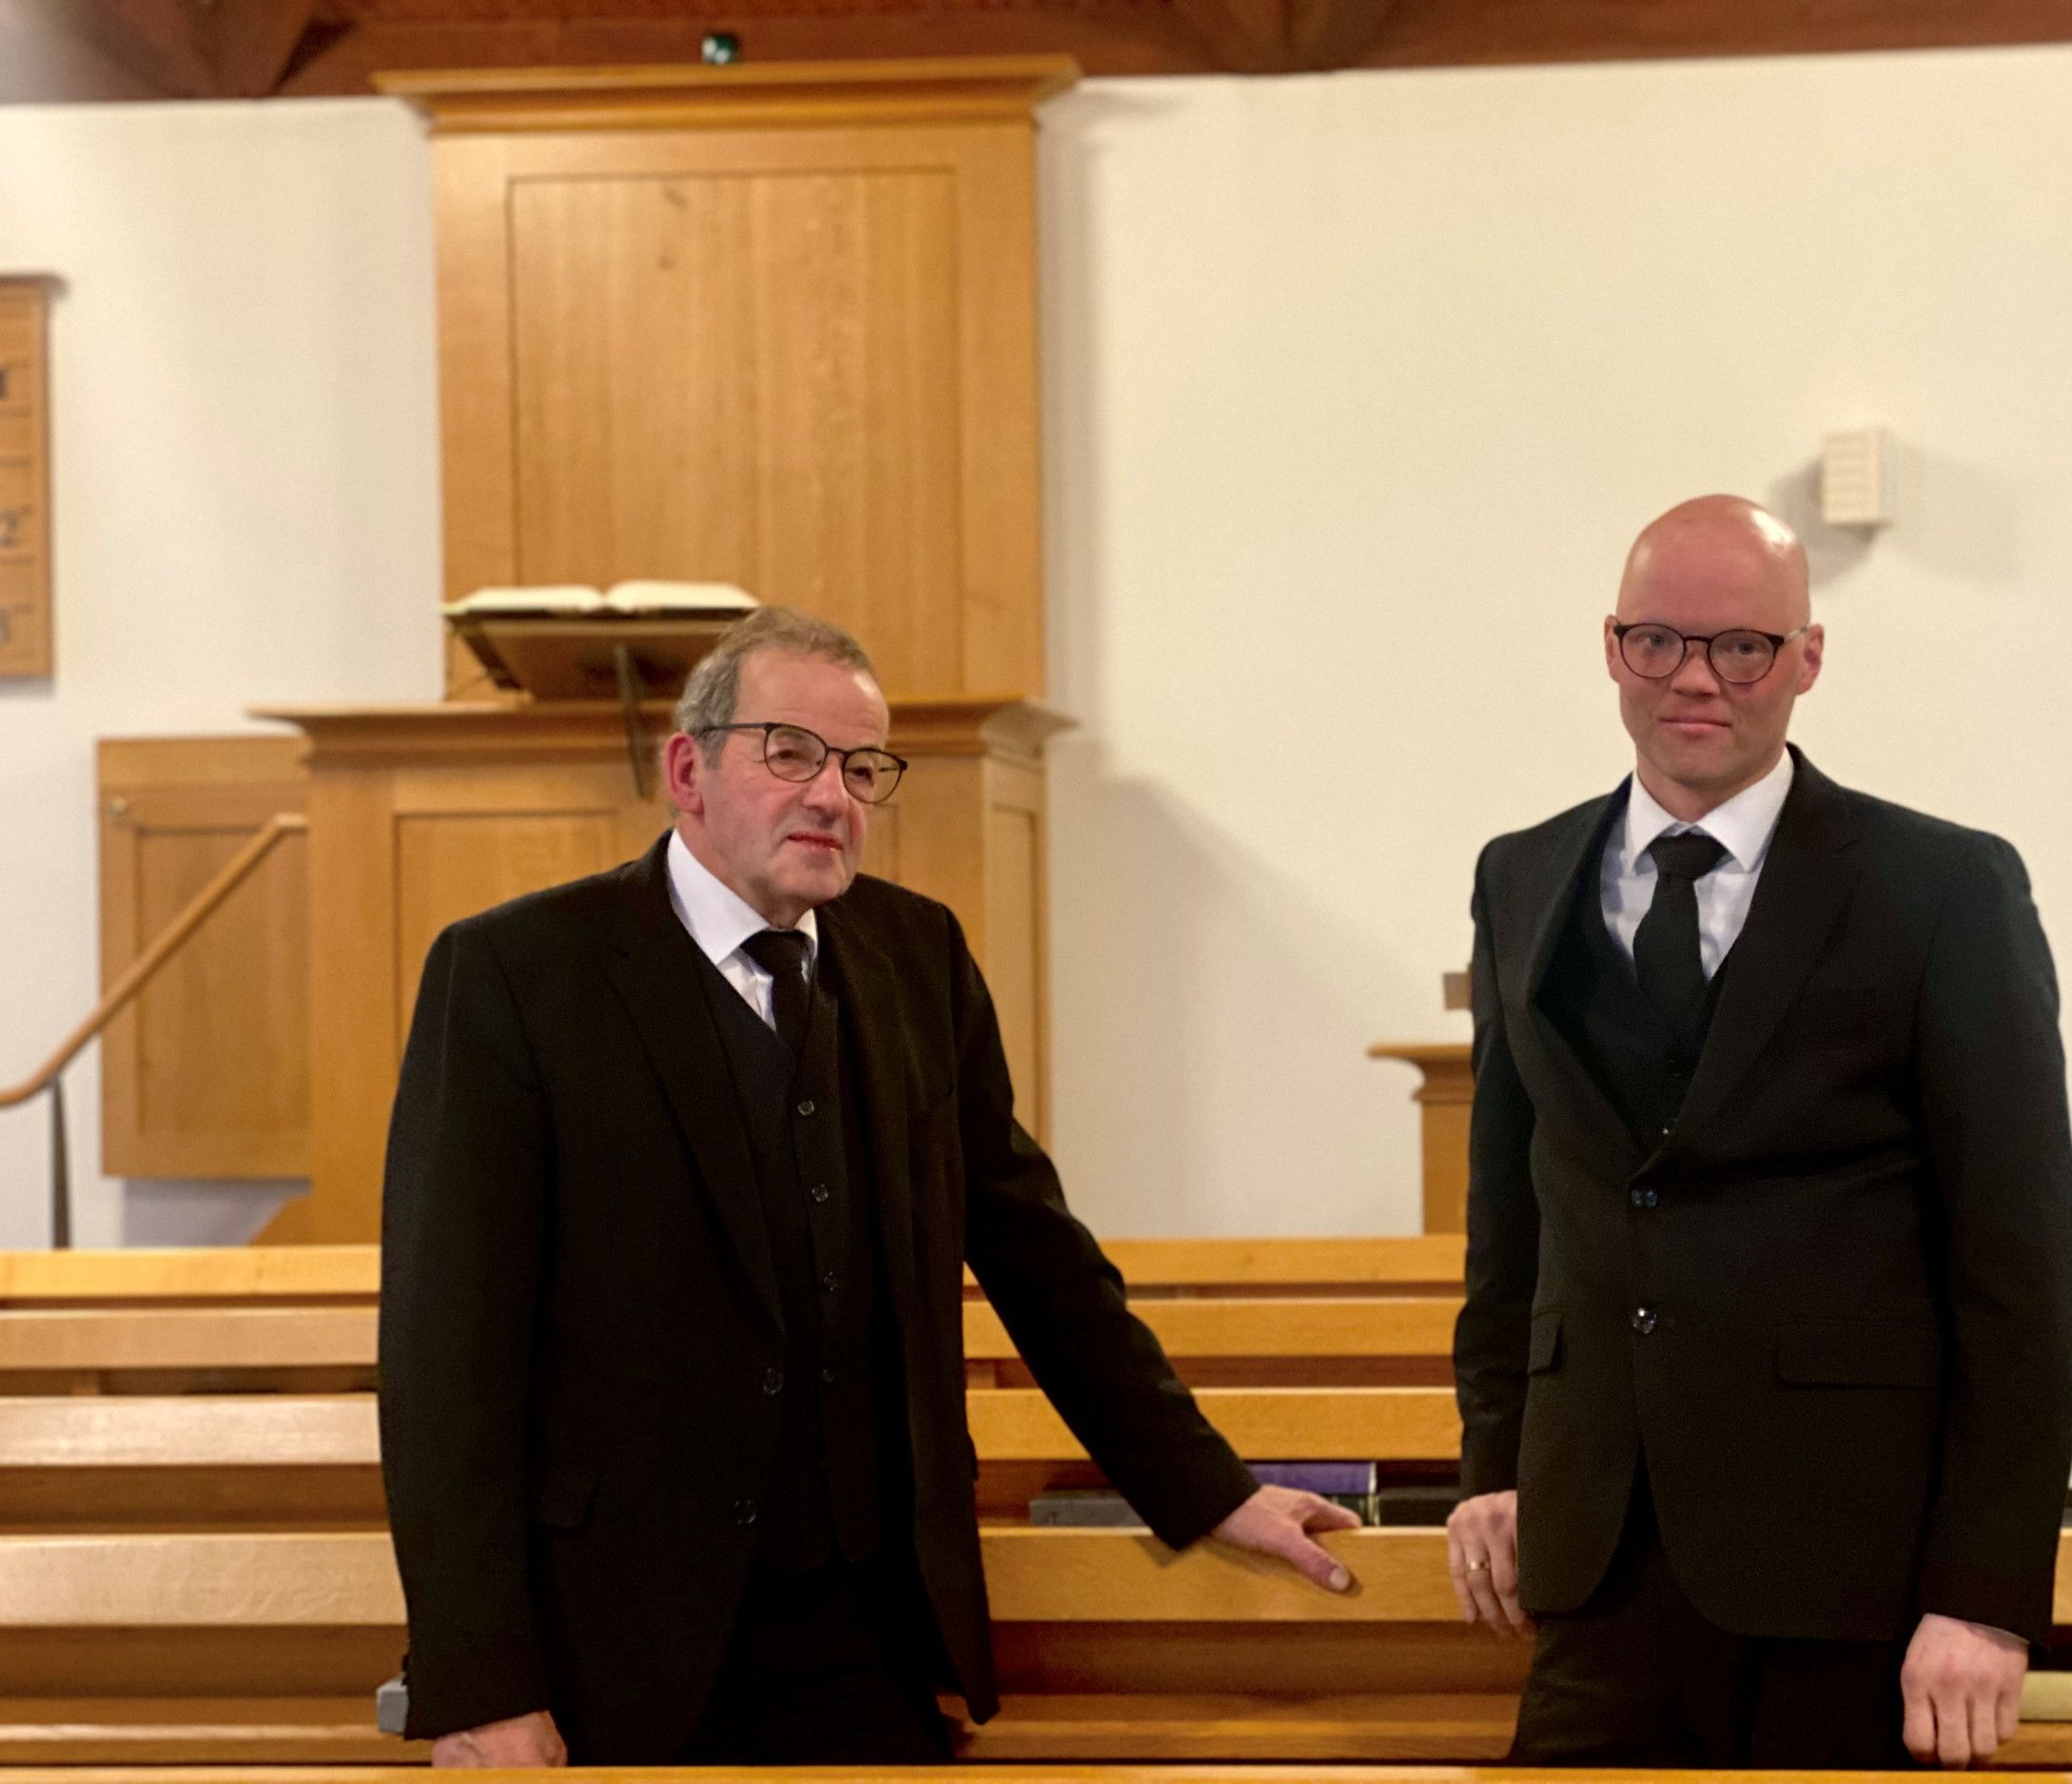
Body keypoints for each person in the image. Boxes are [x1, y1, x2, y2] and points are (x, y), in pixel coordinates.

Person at [379, 607, 1358, 1768]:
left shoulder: (916, 957)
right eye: (789, 752)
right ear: (687, 769)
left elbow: (1038, 1256)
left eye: (860, 765)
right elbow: (446, 1357)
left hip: (870, 1630)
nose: (832, 795)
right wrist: (481, 1681)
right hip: (621, 1642)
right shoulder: (517, 974)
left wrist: (1209, 1489)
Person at [1447, 496, 2072, 1769]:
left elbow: (2017, 1263)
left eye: (1742, 644)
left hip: (1844, 1558)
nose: (1696, 677)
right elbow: (1510, 1213)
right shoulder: (1522, 875)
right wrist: (1493, 1460)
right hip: (1597, 1548)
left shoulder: (1943, 889)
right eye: (1659, 640)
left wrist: (1986, 1590)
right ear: (1612, 645)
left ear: (1807, 657)